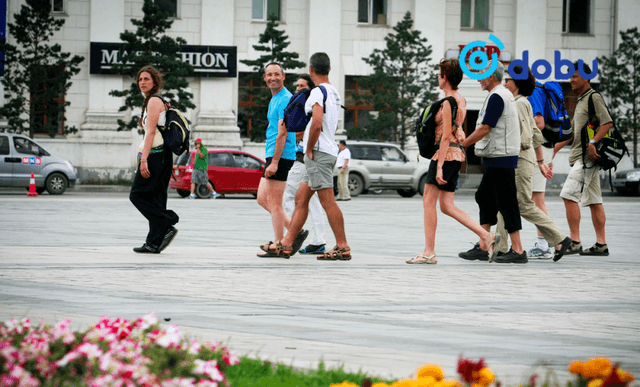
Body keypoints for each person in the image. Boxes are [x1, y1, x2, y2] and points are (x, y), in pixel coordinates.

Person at [407, 58, 497, 265]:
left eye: (439, 75)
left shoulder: (448, 103)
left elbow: (446, 135)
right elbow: (459, 131)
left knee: (429, 201)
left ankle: (429, 251)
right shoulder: (460, 99)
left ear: (444, 77)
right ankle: (486, 236)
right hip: (457, 156)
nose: (438, 78)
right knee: (447, 206)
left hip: (445, 156)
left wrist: (438, 166)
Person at [270, 52, 350, 260]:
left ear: (311, 69)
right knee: (300, 199)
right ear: (329, 69)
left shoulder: (317, 93)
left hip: (319, 153)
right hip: (325, 151)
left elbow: (316, 123)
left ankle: (342, 246)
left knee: (328, 201)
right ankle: (287, 243)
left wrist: (309, 148)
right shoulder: (333, 92)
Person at [495, 66, 572, 262]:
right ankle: (500, 248)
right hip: (523, 159)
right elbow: (537, 134)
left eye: (508, 80)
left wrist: (519, 151)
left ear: (517, 83)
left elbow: (529, 135)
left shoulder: (520, 103)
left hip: (520, 160)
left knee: (523, 205)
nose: (505, 83)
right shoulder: (521, 102)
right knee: (506, 202)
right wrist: (541, 161)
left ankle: (559, 238)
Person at [459, 61, 525, 263]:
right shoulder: (500, 94)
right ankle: (483, 244)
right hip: (497, 157)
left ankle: (519, 251)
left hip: (501, 157)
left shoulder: (498, 96)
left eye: (481, 74)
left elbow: (486, 127)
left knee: (507, 203)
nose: (479, 78)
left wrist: (464, 144)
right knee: (484, 197)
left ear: (491, 76)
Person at [555, 63, 612, 256]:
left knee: (568, 195)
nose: (571, 80)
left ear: (586, 78)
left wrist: (593, 141)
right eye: (571, 76)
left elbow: (608, 122)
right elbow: (574, 133)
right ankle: (601, 244)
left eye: (575, 76)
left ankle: (575, 241)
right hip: (583, 157)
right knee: (595, 201)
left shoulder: (593, 97)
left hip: (586, 159)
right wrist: (555, 149)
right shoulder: (581, 100)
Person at [257, 63, 307, 258]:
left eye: (276, 74)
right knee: (263, 199)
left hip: (280, 156)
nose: (273, 78)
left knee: (276, 203)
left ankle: (279, 244)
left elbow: (283, 133)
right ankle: (296, 232)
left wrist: (275, 162)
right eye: (269, 75)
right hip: (273, 154)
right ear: (264, 77)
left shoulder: (286, 98)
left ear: (284, 76)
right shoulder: (275, 98)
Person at [130, 65, 179, 254]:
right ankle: (153, 242)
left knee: (137, 195)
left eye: (146, 79)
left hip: (156, 155)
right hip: (164, 155)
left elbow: (150, 132)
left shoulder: (153, 101)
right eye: (140, 79)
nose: (142, 82)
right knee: (156, 199)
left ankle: (168, 219)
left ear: (155, 82)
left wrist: (144, 160)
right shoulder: (159, 101)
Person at [283, 74, 328, 256]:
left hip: (305, 156)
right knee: (312, 200)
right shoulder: (314, 104)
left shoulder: (309, 105)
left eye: (302, 85)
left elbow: (302, 132)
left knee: (288, 195)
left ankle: (290, 236)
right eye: (297, 86)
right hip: (313, 155)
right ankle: (318, 240)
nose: (298, 89)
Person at [527, 80, 563, 258]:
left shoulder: (533, 92)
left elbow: (538, 123)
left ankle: (549, 244)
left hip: (538, 149)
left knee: (536, 199)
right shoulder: (538, 90)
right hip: (543, 149)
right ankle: (550, 242)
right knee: (535, 198)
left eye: (509, 79)